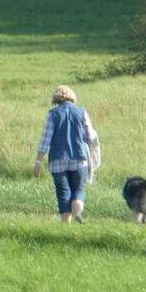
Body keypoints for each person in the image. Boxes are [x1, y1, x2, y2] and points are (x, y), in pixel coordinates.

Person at [33, 85, 100, 223]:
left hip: (57, 160)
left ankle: (65, 226)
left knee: (63, 193)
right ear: (72, 97)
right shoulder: (82, 112)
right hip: (79, 158)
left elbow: (45, 141)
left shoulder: (52, 115)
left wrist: (38, 162)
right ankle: (77, 210)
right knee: (78, 190)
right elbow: (90, 136)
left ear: (56, 98)